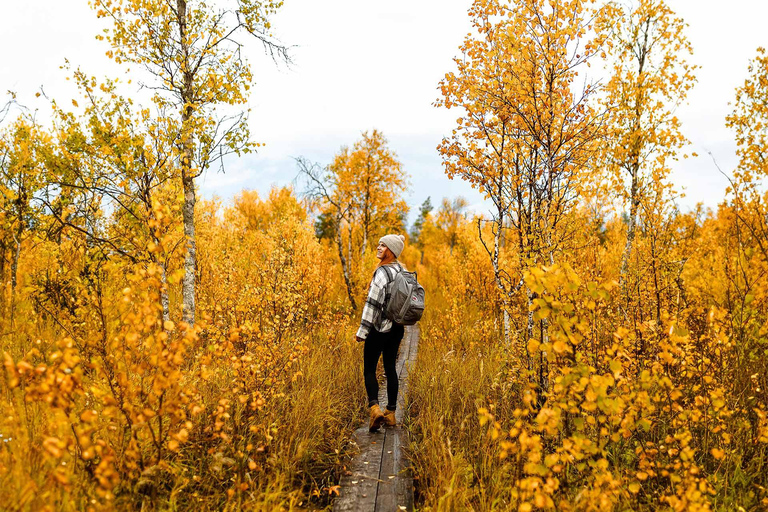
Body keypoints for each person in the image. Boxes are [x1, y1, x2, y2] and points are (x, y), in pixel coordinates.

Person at [355, 234, 406, 432]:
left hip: (379, 328)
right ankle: (391, 414)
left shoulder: (382, 273)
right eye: (379, 244)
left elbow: (373, 304)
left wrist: (363, 330)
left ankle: (375, 409)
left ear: (391, 251)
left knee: (369, 368)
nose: (378, 247)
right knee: (390, 368)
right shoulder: (402, 270)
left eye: (383, 245)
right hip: (397, 328)